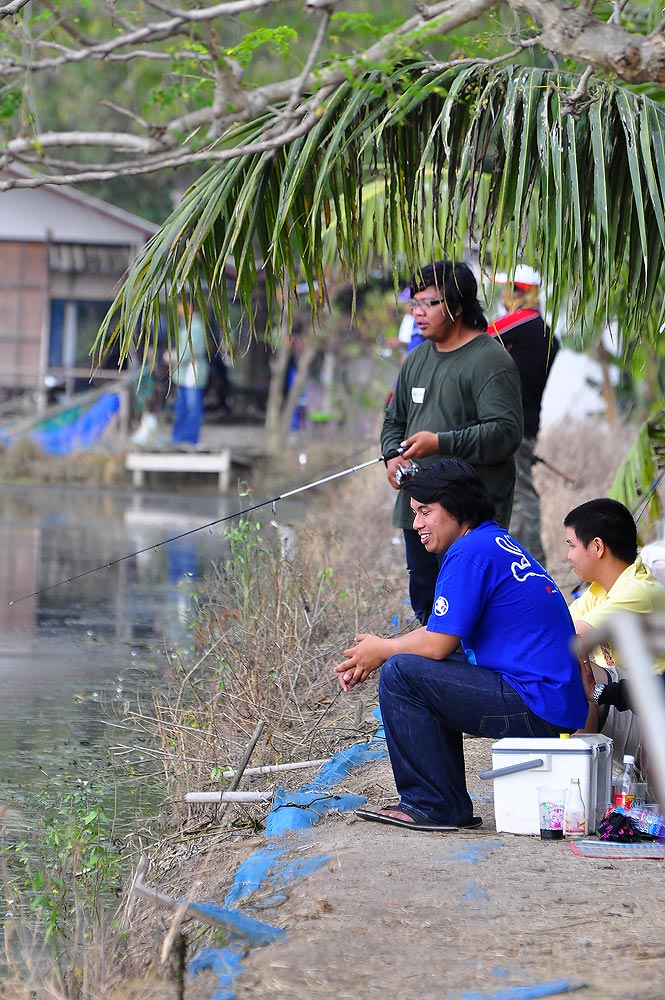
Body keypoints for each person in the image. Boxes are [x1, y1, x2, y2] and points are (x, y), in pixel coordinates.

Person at [334, 459, 588, 831]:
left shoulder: (469, 553)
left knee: (401, 673)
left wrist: (382, 649)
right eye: (414, 513)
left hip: (535, 703)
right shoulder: (493, 541)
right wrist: (384, 649)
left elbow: (437, 644)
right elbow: (444, 640)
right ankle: (447, 805)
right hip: (551, 702)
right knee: (415, 668)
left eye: (426, 512)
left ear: (458, 509)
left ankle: (430, 804)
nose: (417, 524)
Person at [380, 260, 523, 625]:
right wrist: (391, 457)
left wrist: (440, 443)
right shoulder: (416, 359)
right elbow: (393, 421)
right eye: (414, 304)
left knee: (469, 610)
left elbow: (506, 433)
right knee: (427, 604)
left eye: (429, 303)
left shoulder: (490, 361)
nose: (417, 313)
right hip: (418, 508)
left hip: (467, 517)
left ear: (457, 307)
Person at [565, 498, 665, 763]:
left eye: (572, 545)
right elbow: (558, 629)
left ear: (597, 546)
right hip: (631, 705)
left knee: (571, 666)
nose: (569, 556)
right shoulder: (599, 591)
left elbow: (567, 641)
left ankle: (578, 788)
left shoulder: (638, 592)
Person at [489, 264, 559, 566]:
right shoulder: (545, 332)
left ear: (520, 292)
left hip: (511, 426)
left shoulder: (521, 324)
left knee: (518, 495)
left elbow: (472, 336)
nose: (505, 296)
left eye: (508, 289)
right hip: (526, 425)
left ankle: (527, 564)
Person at [170, 300, 210, 446]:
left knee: (193, 409)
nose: (179, 308)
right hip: (184, 376)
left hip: (193, 374)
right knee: (181, 408)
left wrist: (172, 357)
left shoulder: (196, 327)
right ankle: (178, 439)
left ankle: (191, 440)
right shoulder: (185, 326)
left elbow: (190, 352)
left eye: (182, 305)